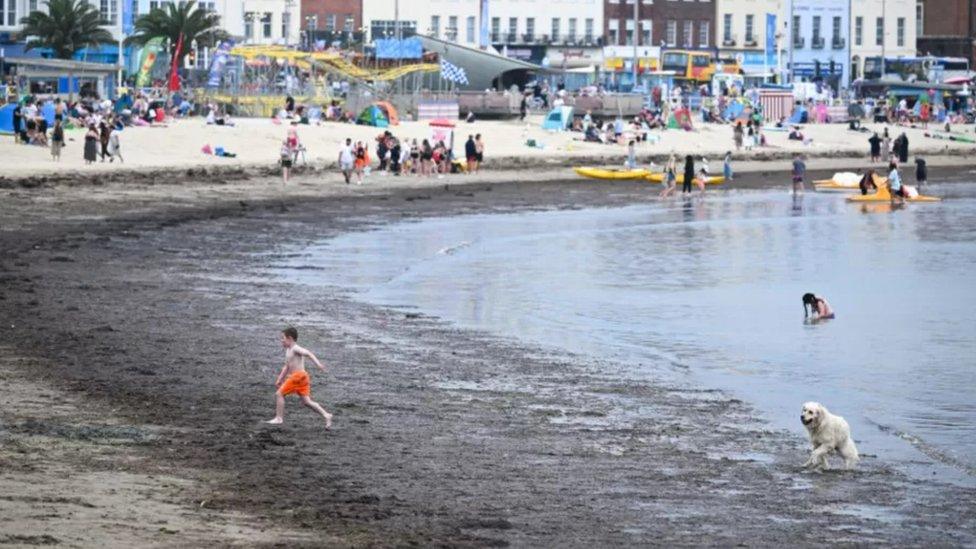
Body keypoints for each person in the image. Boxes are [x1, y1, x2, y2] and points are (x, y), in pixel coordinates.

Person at [265, 327, 333, 427]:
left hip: (298, 376)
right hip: (302, 377)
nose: (281, 340)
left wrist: (318, 364)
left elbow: (308, 353)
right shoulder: (288, 350)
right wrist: (280, 378)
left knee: (279, 394)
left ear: (290, 338)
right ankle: (326, 415)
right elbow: (287, 366)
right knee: (307, 402)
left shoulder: (295, 348)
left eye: (283, 338)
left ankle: (279, 418)